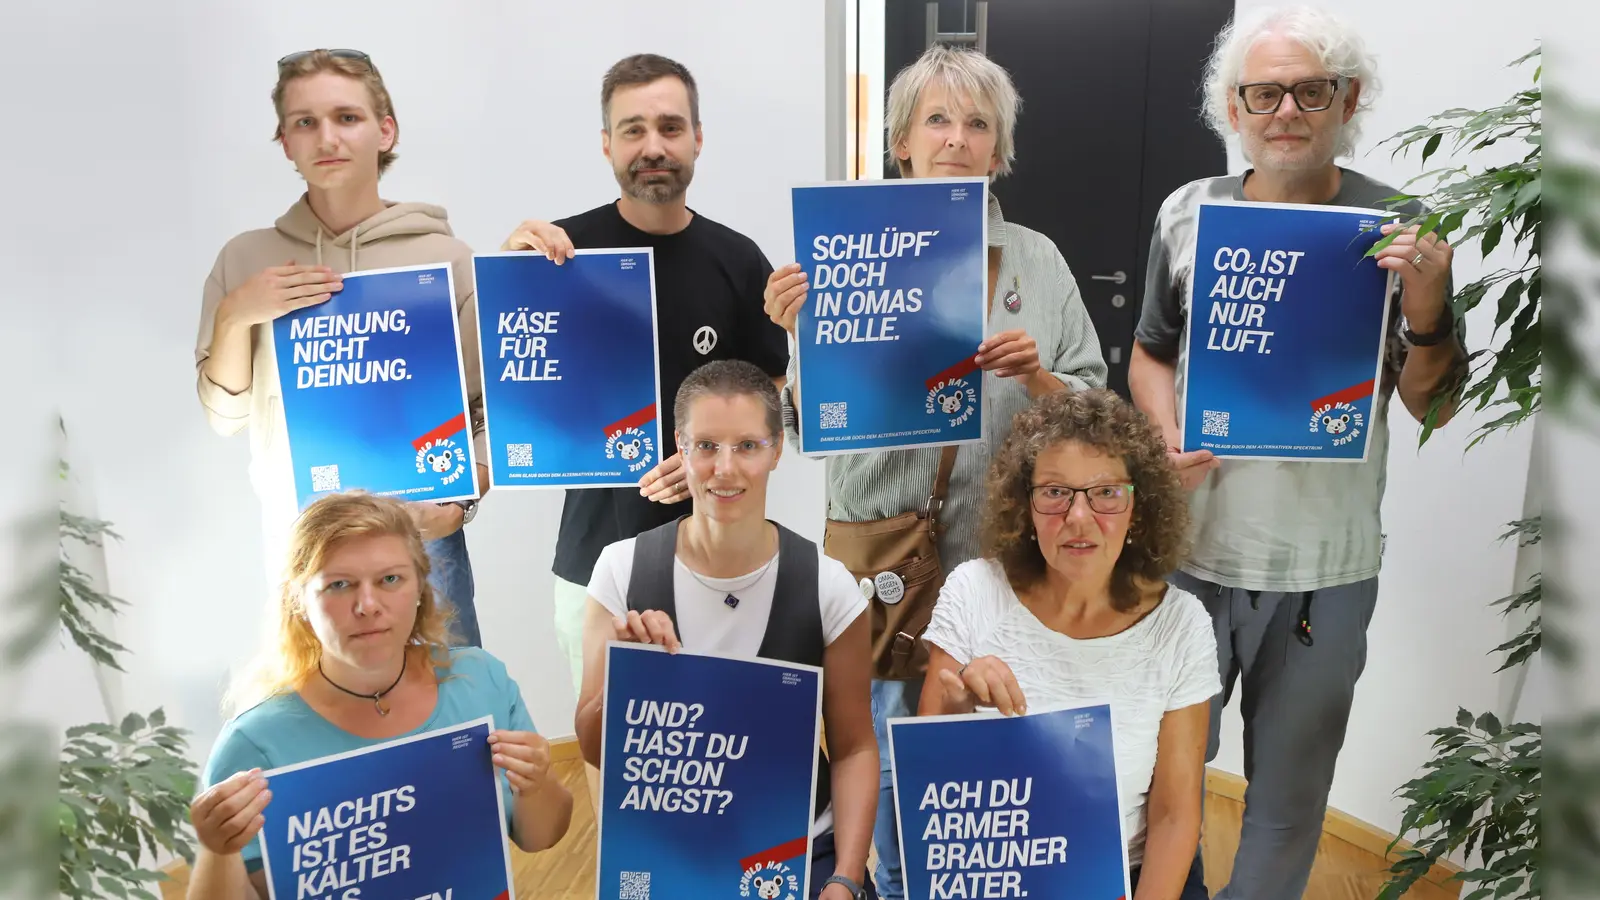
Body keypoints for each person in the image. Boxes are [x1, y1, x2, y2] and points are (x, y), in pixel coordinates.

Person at [1126, 7, 1470, 899]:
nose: (1287, 109)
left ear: (1345, 100)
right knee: (1166, 778)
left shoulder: (1399, 225)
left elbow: (1430, 401)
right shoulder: (1186, 212)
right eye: (1264, 91)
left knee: (1286, 803)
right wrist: (1163, 431)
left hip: (1328, 570)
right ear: (1232, 107)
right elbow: (1151, 354)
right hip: (1192, 557)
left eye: (1310, 89)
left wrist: (1429, 305)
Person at [762, 45, 1107, 899]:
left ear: (1001, 150)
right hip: (882, 549)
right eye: (938, 120)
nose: (958, 138)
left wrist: (1037, 378)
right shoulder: (838, 256)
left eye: (978, 123)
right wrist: (791, 340)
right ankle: (887, 877)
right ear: (902, 141)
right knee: (879, 735)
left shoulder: (1036, 259)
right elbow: (802, 426)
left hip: (1001, 550)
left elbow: (1096, 412)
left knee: (990, 734)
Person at [499, 53, 789, 806]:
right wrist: (510, 281)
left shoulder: (737, 261)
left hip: (721, 558)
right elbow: (511, 393)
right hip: (594, 557)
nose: (652, 145)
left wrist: (701, 465)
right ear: (607, 145)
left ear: (697, 139)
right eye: (634, 129)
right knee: (613, 759)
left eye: (669, 126)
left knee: (722, 754)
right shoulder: (556, 254)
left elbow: (770, 399)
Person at [193, 49, 488, 647]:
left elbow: (489, 409)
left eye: (346, 117)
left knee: (449, 704)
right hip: (300, 538)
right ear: (285, 141)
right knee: (313, 715)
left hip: (418, 534)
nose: (326, 137)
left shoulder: (447, 260)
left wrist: (459, 505)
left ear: (385, 130)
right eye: (305, 122)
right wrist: (236, 317)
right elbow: (224, 419)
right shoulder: (246, 260)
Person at [573, 360, 877, 900]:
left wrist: (845, 880)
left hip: (799, 854)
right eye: (706, 446)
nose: (725, 468)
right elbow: (595, 748)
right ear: (680, 448)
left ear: (777, 449)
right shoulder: (620, 571)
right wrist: (626, 677)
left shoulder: (829, 587)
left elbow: (853, 747)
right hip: (674, 854)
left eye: (748, 446)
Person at [186, 491, 572, 898]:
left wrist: (537, 782)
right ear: (299, 601)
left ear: (421, 587)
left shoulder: (480, 681)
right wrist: (217, 851)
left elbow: (542, 837)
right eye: (339, 584)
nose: (367, 605)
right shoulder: (254, 743)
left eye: (390, 579)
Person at [919, 389, 1216, 899]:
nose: (1078, 518)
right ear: (1025, 505)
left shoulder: (1181, 625)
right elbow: (928, 782)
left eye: (1105, 493)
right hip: (997, 875)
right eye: (1055, 492)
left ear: (1137, 508)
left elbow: (1173, 817)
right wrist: (957, 702)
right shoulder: (974, 591)